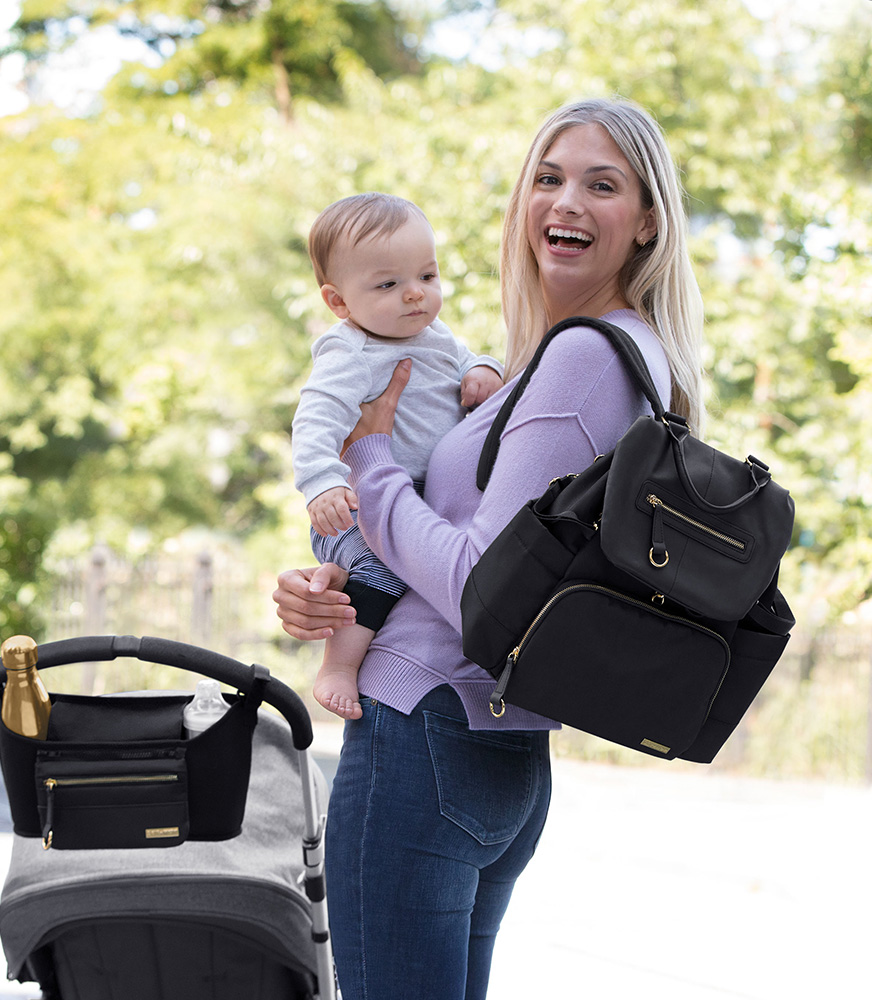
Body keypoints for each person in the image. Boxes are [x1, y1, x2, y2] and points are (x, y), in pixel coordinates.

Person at [273, 97, 704, 1000]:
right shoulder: (574, 355)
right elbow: (484, 553)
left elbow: (476, 580)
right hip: (485, 744)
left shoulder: (587, 359)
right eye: (547, 179)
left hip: (425, 735)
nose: (565, 203)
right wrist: (344, 584)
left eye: (601, 184)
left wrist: (370, 459)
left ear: (648, 220)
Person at [293, 192, 504, 721]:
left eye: (427, 277)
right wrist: (320, 482)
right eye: (388, 284)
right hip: (355, 514)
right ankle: (337, 668)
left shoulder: (433, 336)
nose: (415, 295)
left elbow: (466, 359)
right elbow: (316, 416)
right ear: (339, 302)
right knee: (382, 571)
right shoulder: (352, 351)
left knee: (401, 565)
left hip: (405, 507)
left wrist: (482, 369)